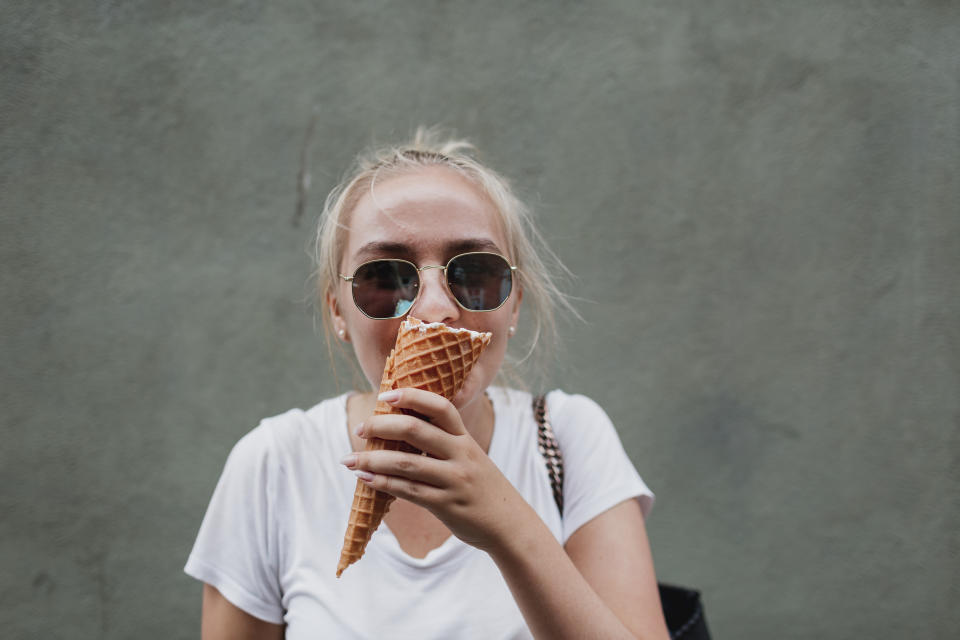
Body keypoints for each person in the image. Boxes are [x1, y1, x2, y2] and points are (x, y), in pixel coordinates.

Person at [184, 129, 670, 639]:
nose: (435, 310)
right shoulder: (274, 464)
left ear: (516, 302)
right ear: (338, 311)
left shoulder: (570, 438)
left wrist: (508, 528)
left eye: (476, 272)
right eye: (386, 277)